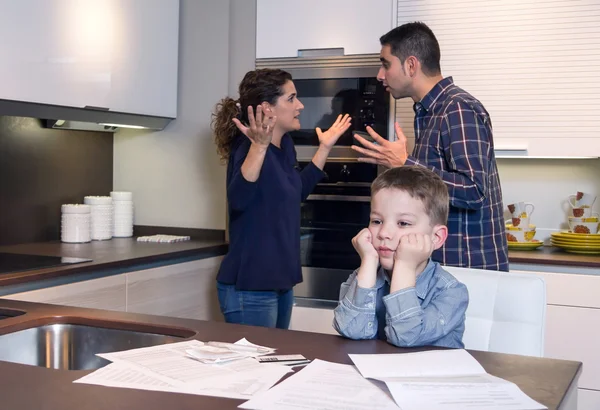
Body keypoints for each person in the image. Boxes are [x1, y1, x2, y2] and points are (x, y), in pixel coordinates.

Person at [351, 22, 508, 271]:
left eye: (385, 64)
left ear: (411, 65)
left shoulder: (457, 108)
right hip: (443, 267)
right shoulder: (428, 112)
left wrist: (405, 163)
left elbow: (474, 190)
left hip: (466, 268)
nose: (380, 75)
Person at [212, 68, 351, 329]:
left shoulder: (285, 146)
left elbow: (296, 192)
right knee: (255, 368)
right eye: (291, 98)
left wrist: (325, 148)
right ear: (268, 108)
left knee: (274, 366)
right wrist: (259, 146)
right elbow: (238, 199)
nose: (299, 105)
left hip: (280, 284)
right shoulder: (248, 147)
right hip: (250, 287)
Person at [333, 166, 468, 348]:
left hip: (429, 375)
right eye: (376, 221)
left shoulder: (451, 292)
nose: (384, 233)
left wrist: (404, 266)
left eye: (403, 223)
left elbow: (406, 337)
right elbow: (351, 330)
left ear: (436, 238)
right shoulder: (364, 275)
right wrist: (368, 262)